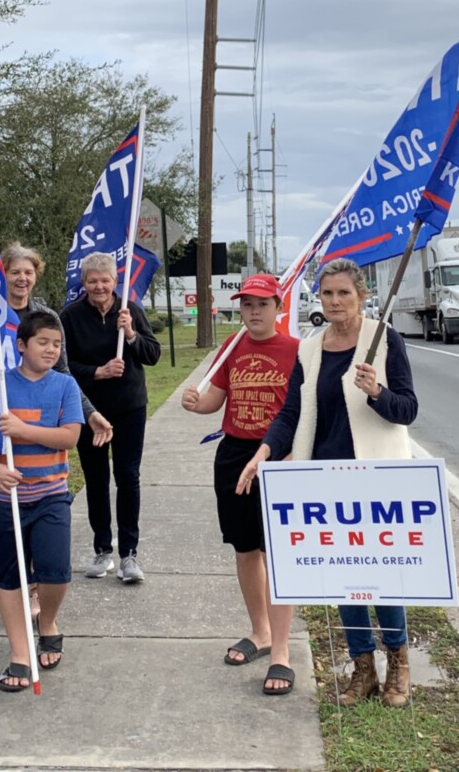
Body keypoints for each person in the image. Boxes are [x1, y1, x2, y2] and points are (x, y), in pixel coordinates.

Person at [237, 258, 418, 708]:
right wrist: (264, 452)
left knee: (380, 575)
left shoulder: (383, 340)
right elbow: (292, 414)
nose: (335, 302)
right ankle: (363, 669)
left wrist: (377, 392)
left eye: (344, 294)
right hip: (325, 477)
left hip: (375, 476)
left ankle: (398, 663)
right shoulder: (311, 349)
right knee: (343, 577)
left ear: (361, 296)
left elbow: (408, 410)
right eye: (327, 294)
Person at [0, 243, 112, 607]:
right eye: (15, 271)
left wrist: (89, 412)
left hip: (38, 415)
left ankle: (30, 583)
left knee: (38, 497)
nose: (22, 278)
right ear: (4, 274)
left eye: (28, 272)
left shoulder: (46, 316)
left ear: (35, 276)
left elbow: (62, 373)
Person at [181, 274, 299, 696]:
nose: (253, 311)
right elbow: (217, 400)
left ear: (277, 307)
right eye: (247, 303)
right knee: (245, 547)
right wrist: (196, 404)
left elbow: (304, 411)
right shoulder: (232, 347)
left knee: (279, 553)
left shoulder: (296, 350)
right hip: (233, 454)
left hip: (277, 458)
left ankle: (282, 652)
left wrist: (290, 452)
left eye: (262, 304)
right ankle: (260, 631)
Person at [0, 310, 83, 692]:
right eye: (43, 342)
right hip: (3, 499)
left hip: (50, 495)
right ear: (21, 345)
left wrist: (22, 429)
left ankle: (47, 621)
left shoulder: (65, 386)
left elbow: (69, 438)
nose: (51, 350)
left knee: (55, 571)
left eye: (57, 344)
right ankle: (20, 654)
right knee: (9, 578)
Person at [59, 252, 161, 582]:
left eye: (105, 280)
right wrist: (97, 372)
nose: (99, 286)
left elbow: (153, 354)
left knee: (128, 477)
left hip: (130, 407)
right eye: (92, 281)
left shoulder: (130, 311)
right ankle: (103, 549)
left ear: (115, 282)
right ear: (84, 283)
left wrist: (131, 334)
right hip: (89, 410)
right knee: (97, 478)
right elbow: (63, 366)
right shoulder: (71, 317)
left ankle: (129, 554)